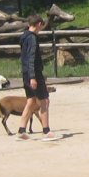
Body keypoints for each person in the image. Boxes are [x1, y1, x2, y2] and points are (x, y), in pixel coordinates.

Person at [17, 12, 56, 140]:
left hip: (25, 73)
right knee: (44, 100)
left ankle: (21, 130)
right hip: (33, 74)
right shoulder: (33, 38)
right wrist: (33, 77)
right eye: (41, 27)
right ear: (39, 24)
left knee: (31, 101)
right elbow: (32, 58)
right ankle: (46, 131)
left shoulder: (24, 36)